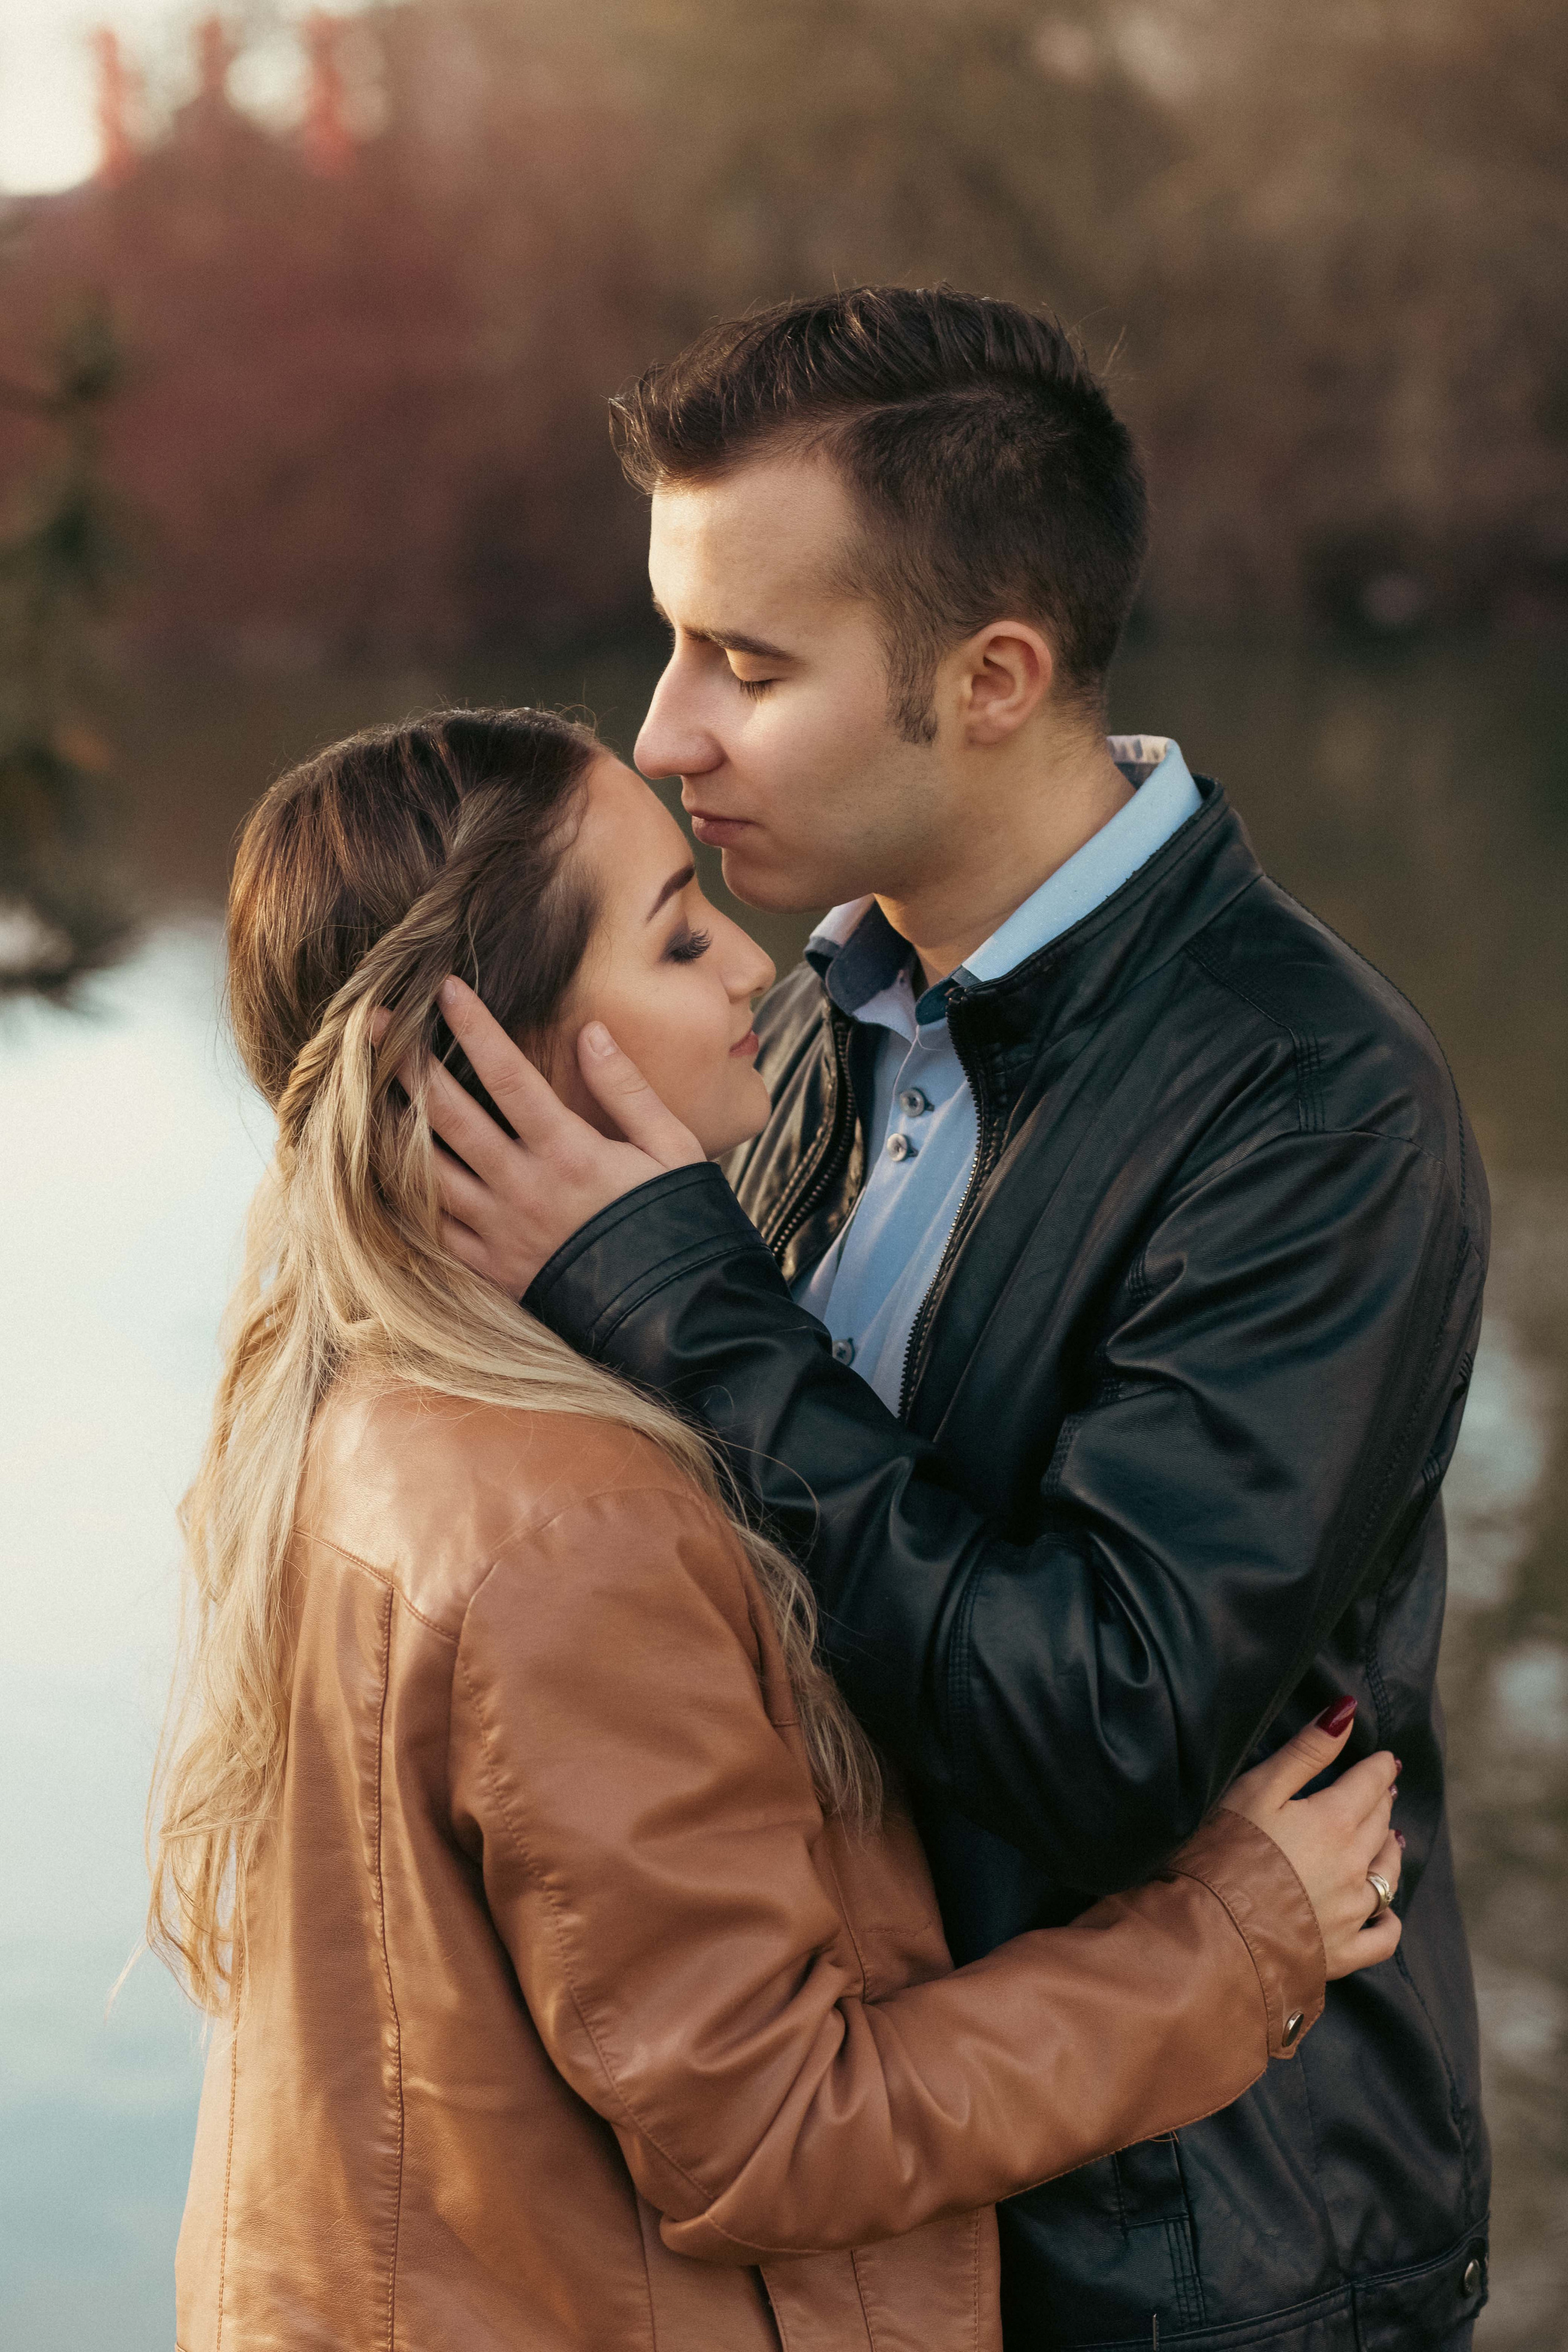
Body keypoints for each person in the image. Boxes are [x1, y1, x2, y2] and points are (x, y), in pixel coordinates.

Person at [415, 289, 1491, 2351]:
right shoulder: (807, 1013)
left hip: (1197, 2269)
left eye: (747, 661)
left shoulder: (1310, 1102)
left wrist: (672, 1294)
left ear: (993, 677)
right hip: (875, 2214)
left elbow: (1099, 1729)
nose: (664, 732)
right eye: (671, 641)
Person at [152, 707, 1401, 2352]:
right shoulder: (569, 1526)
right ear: (471, 1066)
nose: (755, 972)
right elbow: (769, 2134)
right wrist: (1235, 1940)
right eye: (676, 937)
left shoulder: (356, 1402)